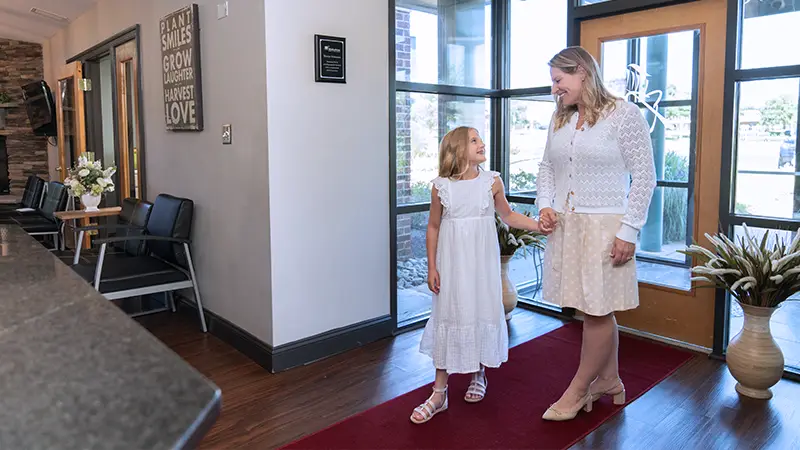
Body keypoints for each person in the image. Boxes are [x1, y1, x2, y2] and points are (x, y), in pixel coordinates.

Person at [536, 46, 656, 421]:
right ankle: (610, 380)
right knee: (593, 309)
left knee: (597, 312)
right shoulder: (559, 120)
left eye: (559, 80)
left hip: (606, 229)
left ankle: (577, 391)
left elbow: (645, 177)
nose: (554, 89)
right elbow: (545, 168)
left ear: (583, 73)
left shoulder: (624, 114)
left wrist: (629, 231)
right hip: (569, 227)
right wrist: (544, 205)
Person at [410, 126, 544, 424]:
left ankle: (479, 373)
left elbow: (508, 215)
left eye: (481, 138)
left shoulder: (491, 181)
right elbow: (433, 227)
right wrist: (432, 267)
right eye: (474, 140)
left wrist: (538, 226)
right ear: (458, 148)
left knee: (480, 311)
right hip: (453, 264)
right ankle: (439, 393)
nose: (482, 143)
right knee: (450, 315)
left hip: (481, 265)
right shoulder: (440, 186)